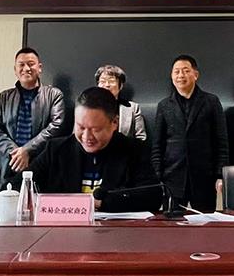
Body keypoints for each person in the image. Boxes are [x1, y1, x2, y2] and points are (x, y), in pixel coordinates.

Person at [27, 87, 158, 211]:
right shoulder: (56, 149)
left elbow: (152, 196)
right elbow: (21, 184)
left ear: (114, 123)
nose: (86, 137)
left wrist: (101, 203)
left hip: (115, 227)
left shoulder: (134, 150)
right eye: (81, 127)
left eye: (96, 130)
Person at [151, 55, 229, 212]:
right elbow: (157, 145)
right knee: (171, 224)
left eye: (186, 71)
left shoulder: (211, 102)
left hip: (204, 178)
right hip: (172, 179)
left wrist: (220, 174)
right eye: (176, 72)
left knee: (205, 223)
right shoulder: (164, 105)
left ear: (195, 74)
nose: (181, 75)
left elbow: (221, 142)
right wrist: (158, 176)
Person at [0, 47, 65, 189]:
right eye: (21, 65)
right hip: (9, 163)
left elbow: (56, 126)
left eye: (31, 64)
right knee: (5, 200)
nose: (26, 68)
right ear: (15, 69)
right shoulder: (4, 97)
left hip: (40, 164)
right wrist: (16, 153)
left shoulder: (54, 95)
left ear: (39, 68)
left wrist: (27, 150)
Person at [95, 64, 147, 141]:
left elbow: (141, 138)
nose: (107, 85)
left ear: (121, 85)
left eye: (111, 81)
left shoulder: (133, 108)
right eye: (102, 81)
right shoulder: (88, 108)